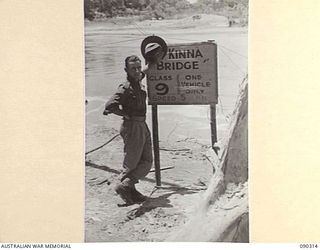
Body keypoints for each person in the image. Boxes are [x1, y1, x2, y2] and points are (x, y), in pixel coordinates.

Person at [103, 55, 153, 204]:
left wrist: (154, 59)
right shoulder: (125, 88)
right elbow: (110, 105)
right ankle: (124, 187)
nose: (137, 71)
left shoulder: (138, 79)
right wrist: (124, 113)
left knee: (147, 161)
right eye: (133, 69)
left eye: (138, 67)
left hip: (142, 124)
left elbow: (145, 70)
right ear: (126, 70)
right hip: (132, 127)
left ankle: (128, 186)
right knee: (131, 164)